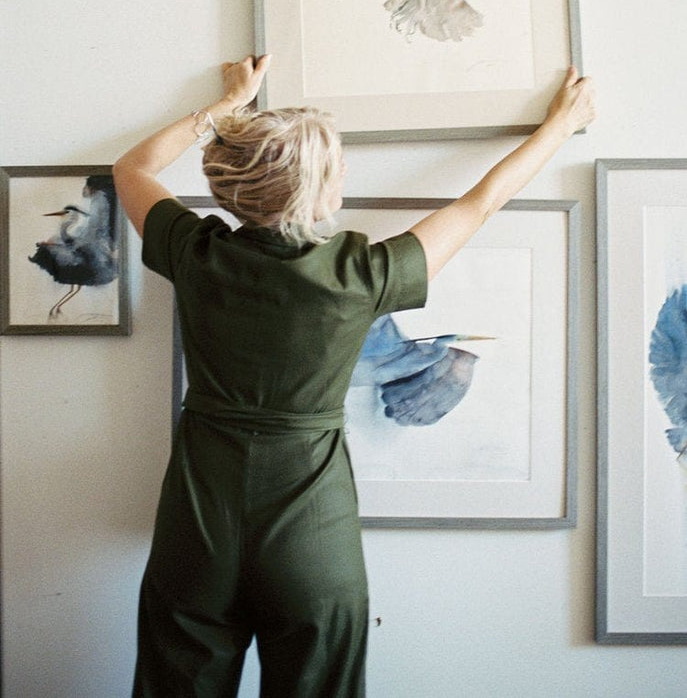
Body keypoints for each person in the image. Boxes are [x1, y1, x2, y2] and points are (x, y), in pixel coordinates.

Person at [113, 55, 595, 698]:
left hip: (198, 520)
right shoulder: (362, 274)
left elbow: (132, 169)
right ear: (312, 189)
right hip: (310, 530)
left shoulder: (196, 253)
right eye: (336, 162)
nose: (345, 169)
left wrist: (229, 105)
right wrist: (558, 130)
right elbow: (482, 204)